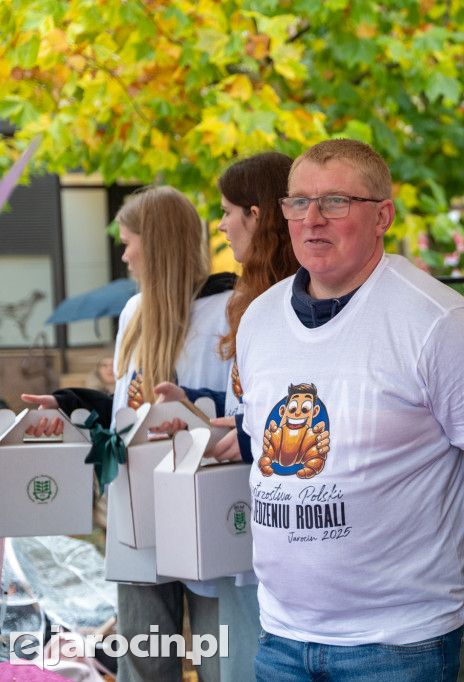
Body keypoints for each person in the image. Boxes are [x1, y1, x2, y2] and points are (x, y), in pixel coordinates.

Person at [232, 138, 464, 682]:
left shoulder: (435, 321)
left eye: (335, 201)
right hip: (282, 634)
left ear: (382, 215)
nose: (312, 219)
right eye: (297, 202)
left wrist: (456, 549)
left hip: (397, 644)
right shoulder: (258, 319)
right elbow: (254, 443)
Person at [25, 185, 235, 682]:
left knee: (219, 658)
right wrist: (72, 402)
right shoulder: (134, 313)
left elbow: (241, 410)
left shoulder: (230, 310)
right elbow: (129, 410)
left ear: (156, 243)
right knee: (143, 659)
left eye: (129, 241)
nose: (123, 254)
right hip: (138, 508)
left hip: (206, 501)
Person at [154, 150, 299, 681]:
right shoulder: (252, 299)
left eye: (227, 211)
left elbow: (317, 410)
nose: (220, 224)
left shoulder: (293, 301)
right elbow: (256, 405)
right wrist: (198, 408)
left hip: (292, 534)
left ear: (258, 215)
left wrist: (241, 430)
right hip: (254, 526)